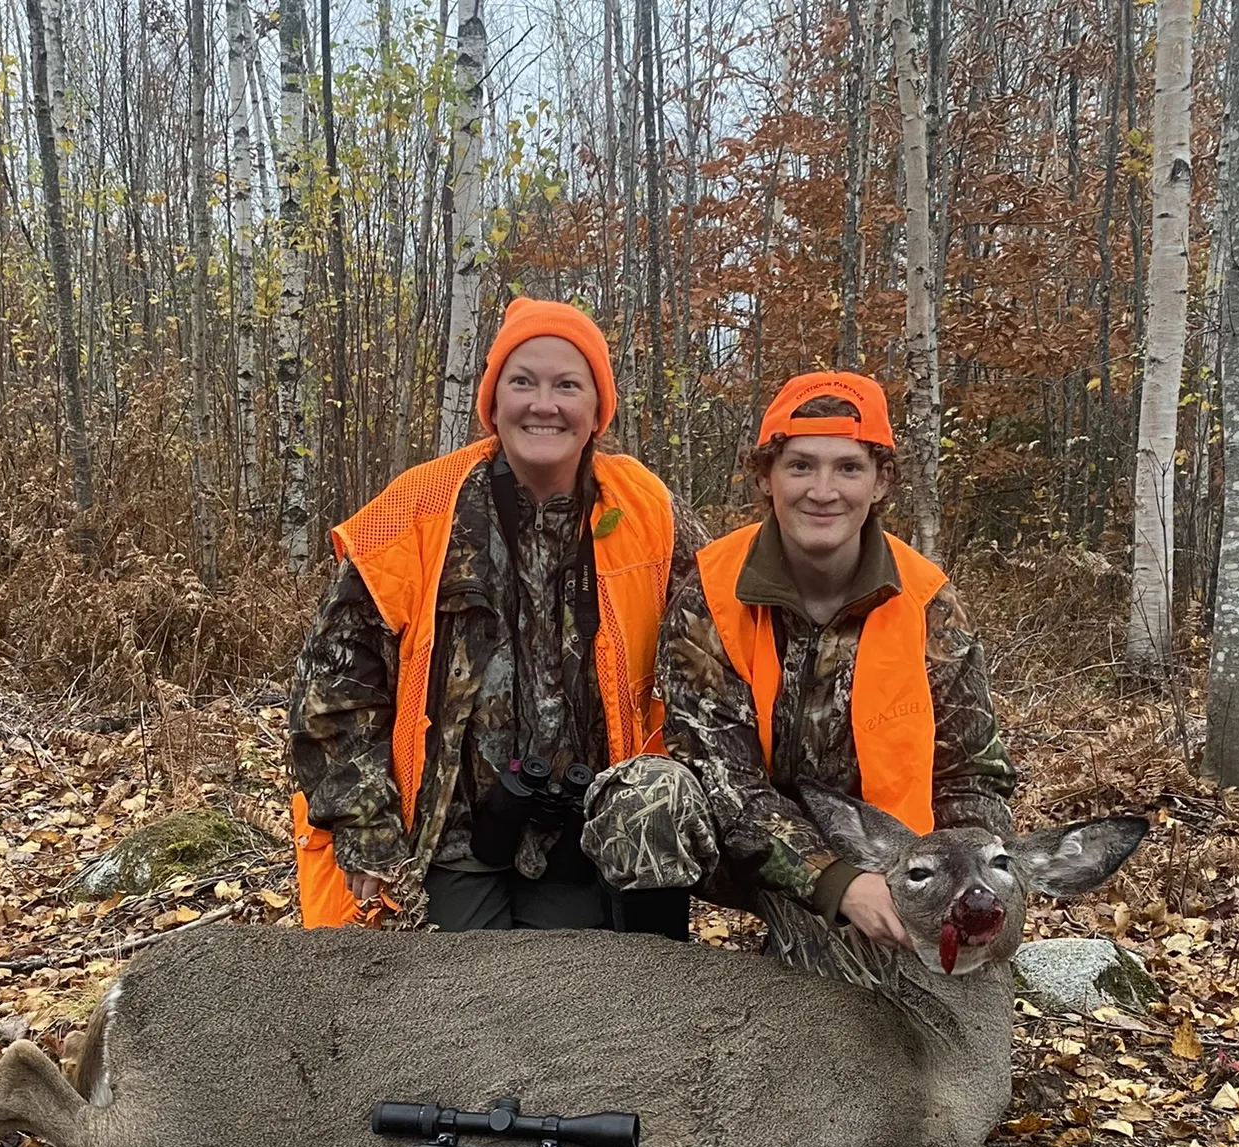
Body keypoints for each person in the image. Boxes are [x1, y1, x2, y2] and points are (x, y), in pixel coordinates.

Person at [288, 298, 695, 934]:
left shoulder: (648, 509)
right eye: (522, 381)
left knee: (593, 1007)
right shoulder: (417, 507)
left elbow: (720, 645)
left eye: (568, 385)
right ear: (493, 401)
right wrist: (364, 821)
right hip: (453, 832)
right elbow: (335, 681)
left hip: (591, 831)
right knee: (459, 1016)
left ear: (597, 410)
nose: (543, 404)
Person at [585, 370, 1014, 954]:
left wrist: (973, 888)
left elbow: (969, 777)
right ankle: (656, 989)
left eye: (848, 467)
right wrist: (839, 886)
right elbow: (724, 784)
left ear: (880, 481)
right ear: (766, 476)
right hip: (737, 847)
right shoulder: (711, 593)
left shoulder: (926, 603)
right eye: (800, 465)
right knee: (645, 797)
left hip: (881, 857)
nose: (823, 490)